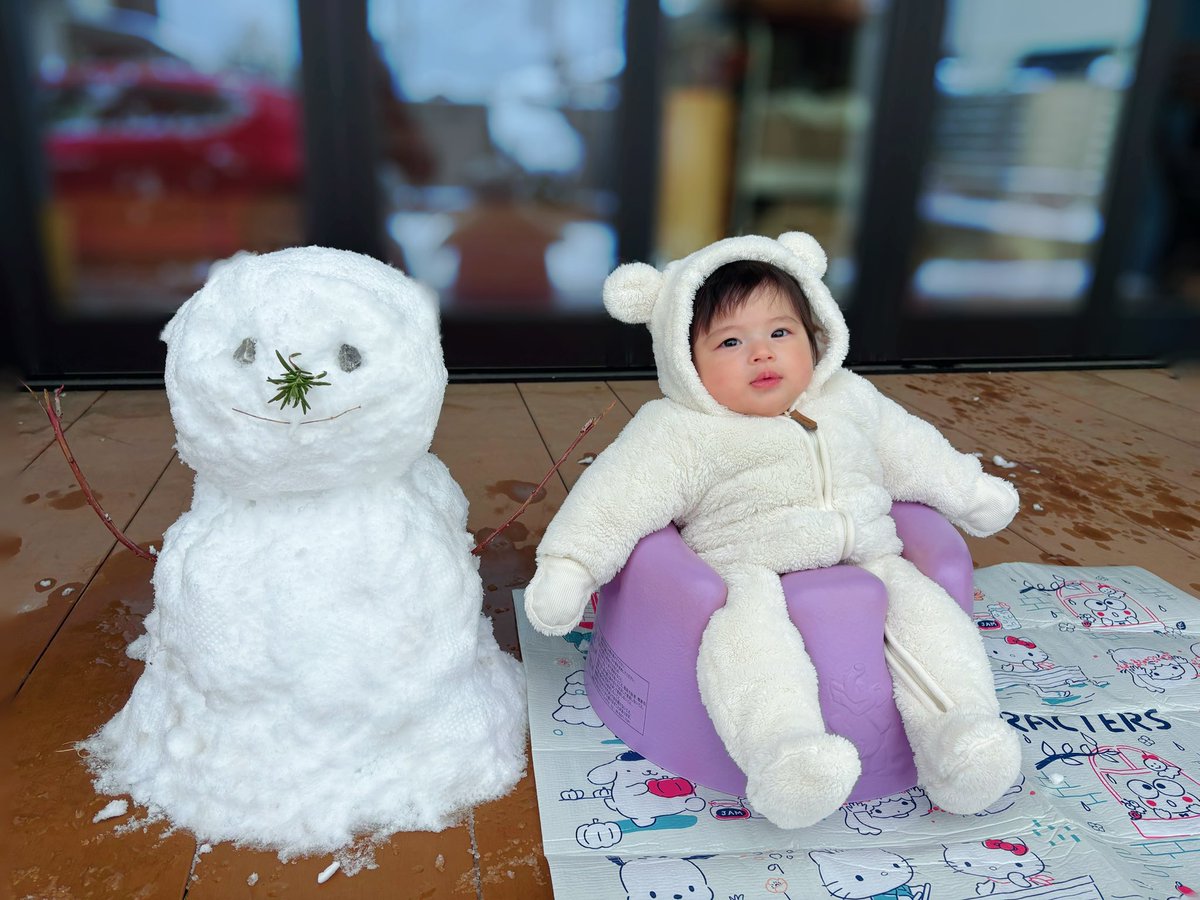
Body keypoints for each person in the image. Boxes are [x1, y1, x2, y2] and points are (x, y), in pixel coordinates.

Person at [523, 232, 1022, 829]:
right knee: (747, 654)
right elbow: (614, 498)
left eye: (780, 333)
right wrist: (570, 566)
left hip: (870, 558)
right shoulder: (680, 431)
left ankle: (963, 737)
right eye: (730, 341)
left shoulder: (848, 399)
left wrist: (970, 493)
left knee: (933, 621)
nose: (762, 354)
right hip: (749, 576)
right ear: (686, 361)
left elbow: (912, 451)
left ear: (815, 334)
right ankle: (787, 757)